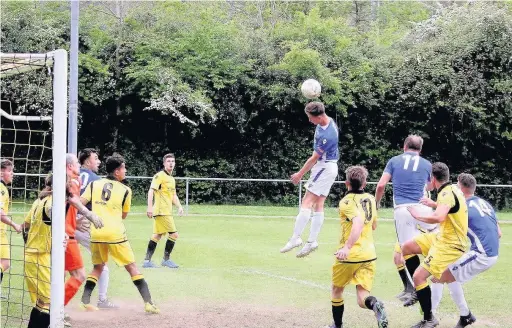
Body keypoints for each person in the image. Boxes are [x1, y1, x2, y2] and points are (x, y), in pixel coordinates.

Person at [80, 154, 159, 314]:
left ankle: (85, 301)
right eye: (123, 167)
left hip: (96, 232)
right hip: (115, 234)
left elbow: (80, 204)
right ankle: (149, 303)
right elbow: (123, 215)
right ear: (117, 171)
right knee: (132, 267)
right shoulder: (126, 190)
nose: (125, 170)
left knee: (98, 267)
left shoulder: (94, 184)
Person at [422, 173, 501, 328]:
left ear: (460, 188)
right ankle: (465, 315)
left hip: (481, 255)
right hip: (489, 253)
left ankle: (430, 316)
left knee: (438, 276)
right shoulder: (484, 203)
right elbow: (498, 233)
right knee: (450, 275)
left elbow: (448, 219)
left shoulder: (463, 207)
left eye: (456, 185)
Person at [403, 162, 469, 328]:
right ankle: (418, 290)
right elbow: (452, 208)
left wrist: (417, 215)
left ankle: (429, 318)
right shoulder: (451, 189)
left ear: (432, 178)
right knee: (406, 248)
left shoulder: (446, 194)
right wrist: (433, 204)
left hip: (450, 244)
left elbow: (439, 217)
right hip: (442, 237)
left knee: (419, 276)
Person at [375, 135, 437, 304]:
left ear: (404, 146)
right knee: (439, 241)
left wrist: (377, 203)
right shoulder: (427, 164)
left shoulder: (394, 161)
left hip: (403, 210)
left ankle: (419, 287)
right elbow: (431, 186)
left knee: (407, 250)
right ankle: (439, 273)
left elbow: (381, 185)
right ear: (420, 149)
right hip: (424, 208)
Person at [328, 166, 387, 328]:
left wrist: (347, 247)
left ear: (347, 183)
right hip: (369, 255)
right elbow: (373, 225)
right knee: (363, 298)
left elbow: (358, 222)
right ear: (365, 182)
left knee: (336, 290)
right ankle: (375, 305)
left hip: (350, 256)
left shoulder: (346, 202)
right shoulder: (371, 199)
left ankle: (337, 325)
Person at [280, 102, 339, 258]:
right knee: (318, 204)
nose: (309, 121)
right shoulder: (325, 120)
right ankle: (311, 241)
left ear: (319, 117)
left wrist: (299, 174)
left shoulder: (329, 135)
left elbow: (314, 159)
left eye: (310, 118)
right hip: (327, 167)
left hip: (324, 167)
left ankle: (295, 238)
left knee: (306, 202)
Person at [75, 148, 117, 308]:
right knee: (102, 263)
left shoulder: (72, 175)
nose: (99, 161)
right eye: (96, 158)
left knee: (60, 262)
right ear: (86, 161)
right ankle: (102, 299)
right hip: (84, 222)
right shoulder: (96, 180)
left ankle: (52, 299)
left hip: (67, 222)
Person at [22, 174, 59, 328]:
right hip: (38, 257)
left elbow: (25, 226)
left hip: (33, 256)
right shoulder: (50, 204)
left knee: (41, 302)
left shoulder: (38, 201)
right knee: (51, 301)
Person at [143, 153, 184, 269]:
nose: (171, 163)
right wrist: (149, 207)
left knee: (157, 235)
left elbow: (173, 195)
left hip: (167, 211)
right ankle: (166, 260)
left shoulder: (171, 179)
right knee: (174, 234)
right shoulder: (159, 176)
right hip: (161, 211)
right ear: (164, 163)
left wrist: (179, 206)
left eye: (173, 161)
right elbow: (151, 191)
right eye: (168, 161)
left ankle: (147, 261)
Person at [0, 159, 22, 293]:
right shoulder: (2, 190)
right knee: (5, 262)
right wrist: (14, 224)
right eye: (10, 171)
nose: (12, 174)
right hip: (0, 233)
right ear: (1, 172)